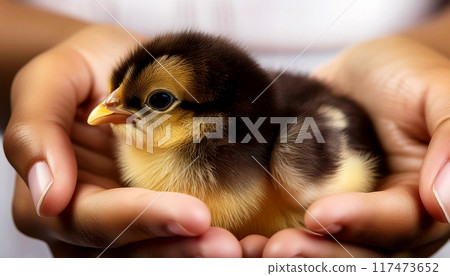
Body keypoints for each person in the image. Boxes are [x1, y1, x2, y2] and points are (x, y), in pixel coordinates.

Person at [1, 0, 449, 257]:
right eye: (114, 92)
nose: (105, 110)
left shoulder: (294, 147)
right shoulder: (135, 146)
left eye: (158, 100)